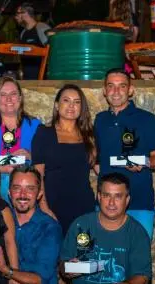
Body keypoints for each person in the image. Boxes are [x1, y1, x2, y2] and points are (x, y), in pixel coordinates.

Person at [94, 68, 155, 239]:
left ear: (130, 90)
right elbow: (97, 156)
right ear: (104, 91)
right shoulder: (100, 119)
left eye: (122, 86)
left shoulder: (147, 119)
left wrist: (145, 162)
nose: (116, 91)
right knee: (105, 253)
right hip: (106, 205)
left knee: (139, 254)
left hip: (139, 203)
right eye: (111, 86)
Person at [32, 84, 96, 234]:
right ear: (57, 105)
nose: (71, 106)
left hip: (84, 206)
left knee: (82, 248)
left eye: (77, 102)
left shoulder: (89, 135)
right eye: (66, 100)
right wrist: (43, 206)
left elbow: (100, 168)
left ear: (81, 108)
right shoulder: (44, 133)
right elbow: (37, 175)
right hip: (53, 206)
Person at [14, 2, 51, 80]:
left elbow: (52, 51)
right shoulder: (23, 33)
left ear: (25, 13)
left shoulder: (41, 28)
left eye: (17, 14)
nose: (15, 17)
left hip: (42, 80)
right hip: (27, 79)